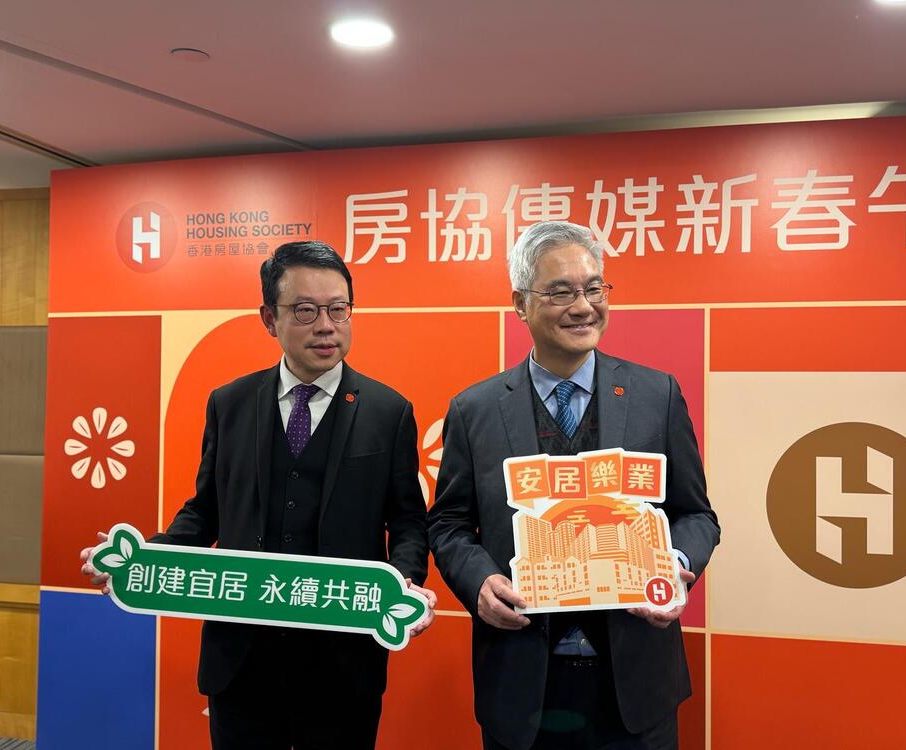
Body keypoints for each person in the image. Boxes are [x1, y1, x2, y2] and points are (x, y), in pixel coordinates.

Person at [80, 240, 435, 750]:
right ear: (270, 318)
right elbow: (205, 512)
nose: (326, 326)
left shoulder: (388, 411)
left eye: (338, 309)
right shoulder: (230, 403)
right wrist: (142, 561)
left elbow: (407, 521)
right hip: (241, 657)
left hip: (342, 659)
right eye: (306, 310)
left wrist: (405, 583)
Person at [428, 221, 719, 750]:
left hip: (634, 684)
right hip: (522, 681)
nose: (583, 307)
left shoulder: (656, 395)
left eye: (594, 288)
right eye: (561, 292)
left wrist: (674, 564)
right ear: (521, 304)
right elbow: (448, 524)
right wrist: (479, 583)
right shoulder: (475, 410)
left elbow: (696, 514)